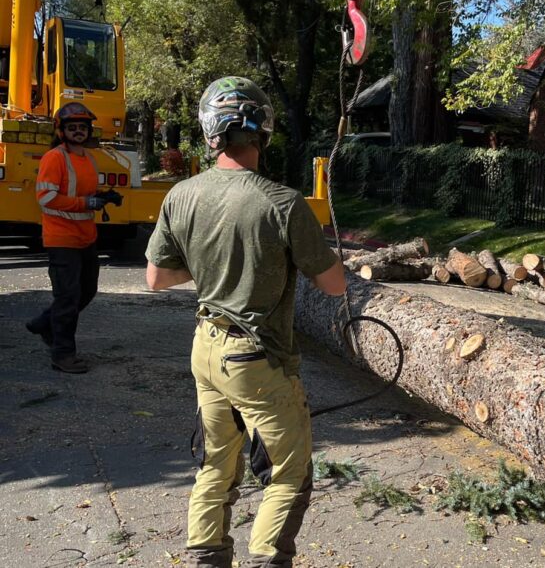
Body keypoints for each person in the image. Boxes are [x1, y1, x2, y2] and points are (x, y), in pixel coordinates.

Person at [145, 76, 346, 568]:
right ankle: (265, 560)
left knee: (218, 460)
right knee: (289, 473)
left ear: (211, 131)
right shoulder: (282, 203)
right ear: (264, 130)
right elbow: (335, 285)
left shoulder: (181, 195)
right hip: (256, 360)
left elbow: (156, 277)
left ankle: (205, 557)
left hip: (206, 348)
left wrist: (219, 262)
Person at [26, 103, 110, 374]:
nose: (78, 132)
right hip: (61, 240)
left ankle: (43, 323)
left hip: (85, 238)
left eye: (82, 128)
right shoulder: (55, 157)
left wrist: (104, 196)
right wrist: (86, 202)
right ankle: (63, 354)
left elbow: (84, 191)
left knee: (86, 292)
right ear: (61, 131)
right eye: (72, 127)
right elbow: (46, 198)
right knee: (68, 298)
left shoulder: (87, 157)